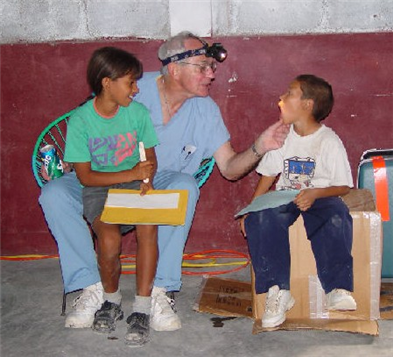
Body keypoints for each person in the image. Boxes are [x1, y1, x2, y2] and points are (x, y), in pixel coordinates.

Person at [39, 31, 289, 333]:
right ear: (174, 69)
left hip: (159, 182)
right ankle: (90, 287)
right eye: (202, 66)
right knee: (54, 193)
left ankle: (161, 291)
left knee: (185, 186)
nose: (211, 74)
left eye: (212, 67)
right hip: (105, 177)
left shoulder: (205, 110)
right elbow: (91, 121)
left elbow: (230, 168)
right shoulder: (132, 87)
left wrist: (258, 147)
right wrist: (64, 162)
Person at [240, 74, 356, 329]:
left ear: (307, 105)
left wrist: (315, 193)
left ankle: (338, 287)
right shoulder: (282, 136)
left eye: (289, 94)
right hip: (285, 196)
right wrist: (252, 209)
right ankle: (278, 291)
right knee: (263, 217)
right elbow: (268, 175)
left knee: (337, 214)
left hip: (321, 196)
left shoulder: (328, 140)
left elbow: (343, 186)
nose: (280, 99)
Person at [63, 47, 159, 346]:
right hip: (99, 188)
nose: (136, 88)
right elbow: (85, 177)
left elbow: (150, 157)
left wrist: (146, 178)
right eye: (130, 82)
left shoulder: (138, 113)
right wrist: (131, 173)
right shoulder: (80, 120)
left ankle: (142, 308)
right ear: (107, 82)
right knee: (108, 240)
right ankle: (111, 301)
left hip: (133, 185)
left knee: (148, 227)